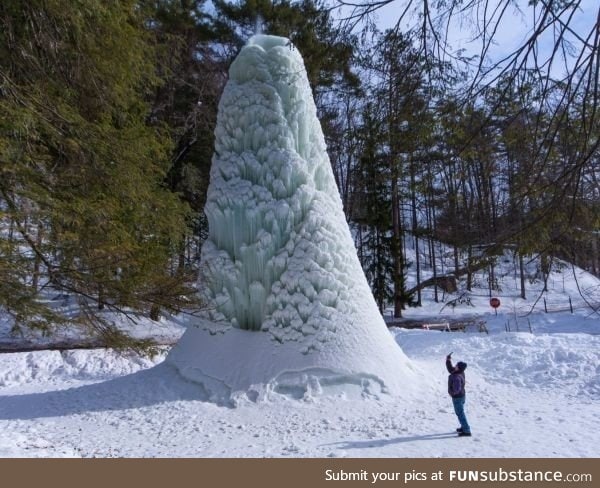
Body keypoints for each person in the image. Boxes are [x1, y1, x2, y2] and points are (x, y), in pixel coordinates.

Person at [446, 353, 471, 437]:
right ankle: (463, 427)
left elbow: (457, 389)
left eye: (456, 365)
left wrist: (451, 393)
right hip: (462, 396)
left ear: (458, 368)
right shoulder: (460, 372)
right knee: (460, 413)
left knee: (460, 413)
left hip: (457, 398)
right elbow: (450, 369)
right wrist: (448, 360)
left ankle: (467, 430)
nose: (455, 366)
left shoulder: (456, 377)